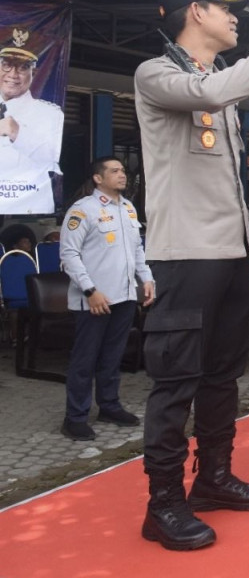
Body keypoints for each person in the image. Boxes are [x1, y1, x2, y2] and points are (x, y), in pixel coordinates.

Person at [133, 0, 249, 550]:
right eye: (225, 8)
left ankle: (213, 478)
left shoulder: (221, 85)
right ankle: (163, 505)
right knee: (175, 381)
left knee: (222, 376)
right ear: (194, 11)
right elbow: (205, 95)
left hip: (231, 257)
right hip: (184, 255)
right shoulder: (155, 75)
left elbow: (232, 183)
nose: (236, 18)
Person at [58, 156, 154, 441]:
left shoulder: (128, 208)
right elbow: (68, 256)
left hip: (123, 297)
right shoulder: (83, 211)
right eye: (114, 171)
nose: (122, 174)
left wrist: (146, 278)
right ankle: (74, 417)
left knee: (113, 357)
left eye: (123, 170)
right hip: (93, 300)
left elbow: (137, 250)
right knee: (84, 360)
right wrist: (90, 290)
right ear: (98, 178)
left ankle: (109, 406)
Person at [0, 27, 64, 214]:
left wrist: (17, 133)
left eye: (22, 67)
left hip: (29, 210)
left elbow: (52, 158)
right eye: (6, 65)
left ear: (33, 73)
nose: (13, 74)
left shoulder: (50, 113)